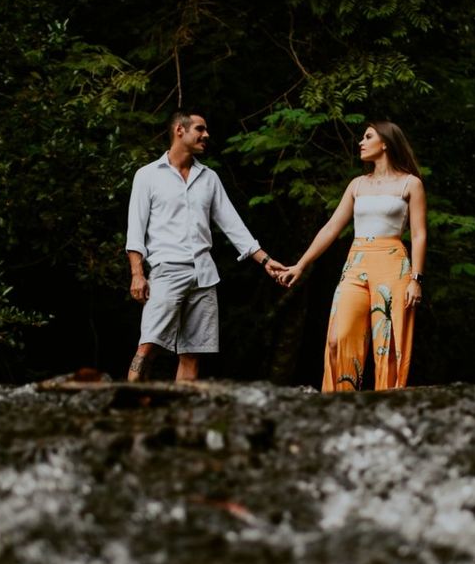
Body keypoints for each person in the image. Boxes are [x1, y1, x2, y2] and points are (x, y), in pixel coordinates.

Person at [125, 112, 287, 381]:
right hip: (166, 272)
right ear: (180, 130)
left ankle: (182, 419)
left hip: (204, 276)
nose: (206, 135)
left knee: (192, 353)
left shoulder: (209, 177)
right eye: (200, 129)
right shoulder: (147, 176)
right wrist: (137, 274)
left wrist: (266, 261)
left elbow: (233, 226)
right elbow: (135, 231)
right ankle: (128, 412)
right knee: (148, 345)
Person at [275, 120, 428, 391]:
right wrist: (301, 264)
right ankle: (340, 405)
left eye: (368, 137)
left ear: (385, 143)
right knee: (337, 338)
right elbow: (332, 227)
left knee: (389, 344)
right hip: (357, 262)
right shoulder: (357, 184)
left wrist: (416, 278)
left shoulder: (410, 184)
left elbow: (418, 234)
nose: (361, 142)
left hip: (392, 262)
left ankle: (387, 408)